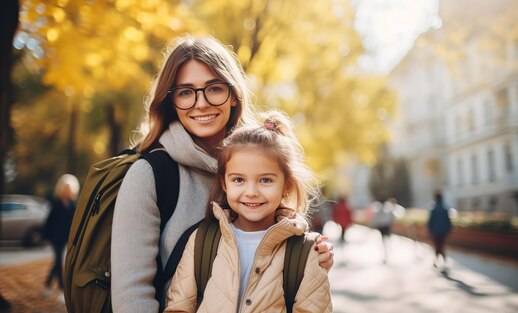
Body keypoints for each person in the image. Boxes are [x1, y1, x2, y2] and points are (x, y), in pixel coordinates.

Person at [110, 35, 334, 313]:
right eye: (185, 92)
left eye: (214, 89)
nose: (201, 103)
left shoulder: (261, 158)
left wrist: (308, 257)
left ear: (234, 94)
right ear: (170, 101)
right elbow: (131, 293)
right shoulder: (149, 175)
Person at [165, 111, 331, 312]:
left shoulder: (307, 252)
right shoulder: (202, 240)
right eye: (238, 180)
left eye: (266, 180)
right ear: (224, 184)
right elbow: (178, 308)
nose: (251, 192)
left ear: (286, 186)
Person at [42, 174, 80, 301]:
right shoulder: (56, 204)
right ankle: (61, 289)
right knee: (58, 261)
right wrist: (45, 236)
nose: (66, 192)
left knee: (57, 262)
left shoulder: (72, 205)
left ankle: (47, 284)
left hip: (66, 237)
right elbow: (49, 221)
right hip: (56, 238)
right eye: (65, 190)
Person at [427, 191, 452, 269]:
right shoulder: (445, 207)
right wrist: (449, 229)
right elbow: (448, 220)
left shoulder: (433, 208)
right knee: (442, 245)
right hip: (443, 230)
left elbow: (430, 221)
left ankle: (437, 260)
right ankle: (443, 261)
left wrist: (429, 230)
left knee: (437, 246)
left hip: (435, 231)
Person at [370, 197, 399, 263]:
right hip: (385, 226)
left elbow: (375, 219)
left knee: (384, 239)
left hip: (382, 226)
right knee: (387, 238)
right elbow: (392, 217)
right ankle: (388, 250)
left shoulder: (380, 209)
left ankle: (387, 250)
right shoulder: (387, 209)